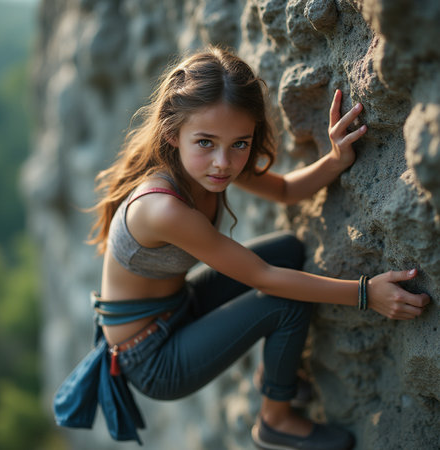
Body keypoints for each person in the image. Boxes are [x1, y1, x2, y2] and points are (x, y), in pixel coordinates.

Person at [53, 46, 430, 450]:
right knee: (285, 301)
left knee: (287, 249)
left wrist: (336, 160)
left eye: (240, 144)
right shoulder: (163, 209)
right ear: (171, 133)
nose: (223, 163)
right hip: (152, 358)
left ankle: (276, 372)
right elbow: (261, 278)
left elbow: (284, 190)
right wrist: (365, 293)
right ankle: (275, 421)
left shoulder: (211, 162)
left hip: (177, 310)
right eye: (205, 143)